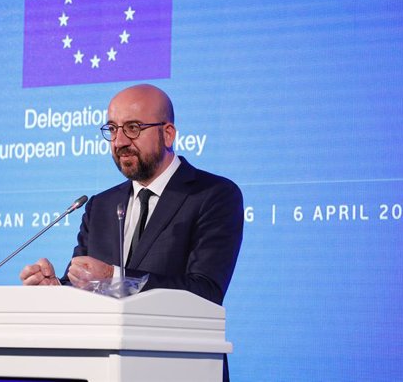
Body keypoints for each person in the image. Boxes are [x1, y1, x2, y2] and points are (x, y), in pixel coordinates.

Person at [20, 84, 244, 306]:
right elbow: (82, 286)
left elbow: (205, 292)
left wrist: (113, 277)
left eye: (133, 128)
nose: (119, 142)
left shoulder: (213, 195)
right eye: (113, 129)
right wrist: (56, 290)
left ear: (167, 134)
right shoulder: (101, 206)